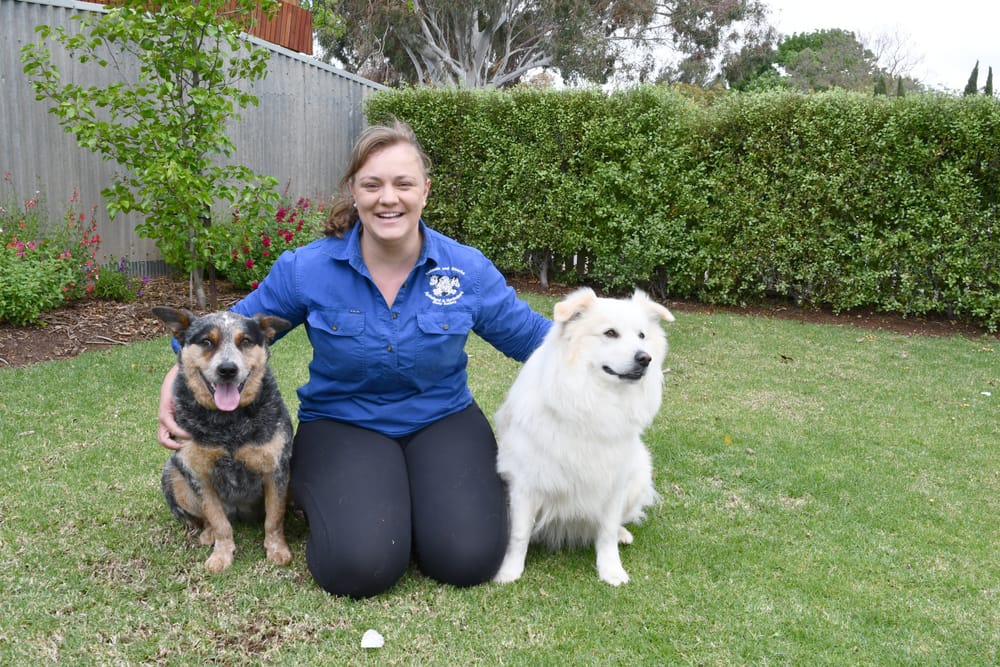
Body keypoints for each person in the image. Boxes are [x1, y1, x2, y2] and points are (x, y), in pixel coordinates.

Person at [156, 120, 551, 598]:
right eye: (373, 184)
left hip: (442, 418)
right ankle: (382, 507)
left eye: (404, 183)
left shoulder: (464, 269)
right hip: (345, 422)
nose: (389, 198)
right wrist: (175, 377)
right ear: (354, 191)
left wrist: (612, 350)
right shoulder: (307, 269)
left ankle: (418, 505)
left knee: (467, 558)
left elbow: (534, 338)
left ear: (425, 191)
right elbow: (230, 329)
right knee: (356, 567)